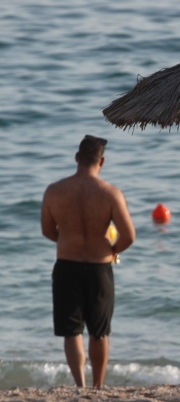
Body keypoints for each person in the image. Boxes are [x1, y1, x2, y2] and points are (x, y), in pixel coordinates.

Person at [41, 135, 135, 388]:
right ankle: (98, 387)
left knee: (72, 331)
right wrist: (111, 251)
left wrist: (67, 239)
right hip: (99, 267)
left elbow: (47, 231)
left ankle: (80, 387)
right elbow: (129, 236)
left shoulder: (54, 191)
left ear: (77, 158)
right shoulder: (111, 193)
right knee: (99, 331)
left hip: (66, 265)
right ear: (101, 161)